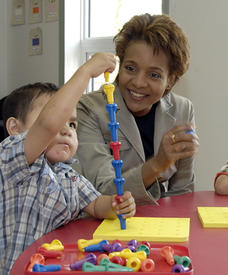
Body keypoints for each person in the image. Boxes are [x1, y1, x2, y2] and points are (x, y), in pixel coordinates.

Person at [0, 54, 136, 275]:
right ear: (15, 128)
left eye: (72, 124)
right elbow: (46, 125)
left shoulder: (68, 175)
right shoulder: (13, 159)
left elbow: (95, 204)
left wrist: (115, 205)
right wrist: (86, 71)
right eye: (59, 119)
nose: (66, 130)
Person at [76, 13, 200, 205]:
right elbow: (102, 194)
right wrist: (157, 164)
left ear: (171, 80)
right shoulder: (89, 109)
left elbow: (182, 193)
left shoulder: (182, 109)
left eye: (154, 75)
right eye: (130, 68)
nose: (139, 83)